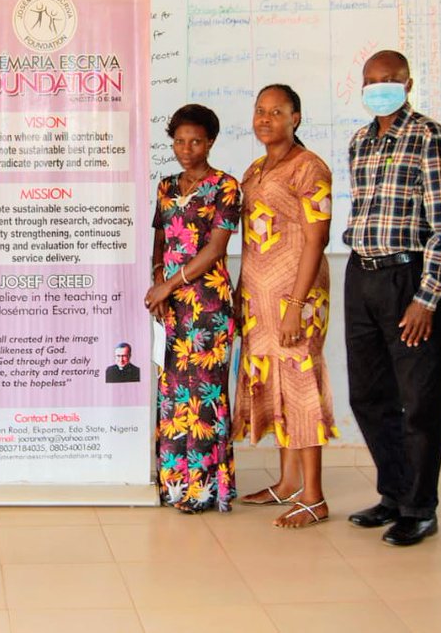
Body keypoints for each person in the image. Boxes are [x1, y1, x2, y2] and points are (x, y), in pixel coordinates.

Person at [343, 49, 441, 547]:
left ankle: (419, 507)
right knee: (369, 396)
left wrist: (425, 299)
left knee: (418, 400)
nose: (380, 88)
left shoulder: (429, 136)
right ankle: (392, 494)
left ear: (408, 83)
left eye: (389, 79)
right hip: (361, 275)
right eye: (371, 80)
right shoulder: (360, 141)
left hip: (406, 279)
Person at [234, 85, 337, 528]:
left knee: (300, 387)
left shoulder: (309, 166)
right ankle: (288, 482)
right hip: (258, 299)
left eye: (276, 112)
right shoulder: (255, 169)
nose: (265, 119)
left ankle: (314, 496)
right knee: (275, 385)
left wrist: (296, 304)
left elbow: (318, 238)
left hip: (297, 298)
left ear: (295, 118)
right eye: (260, 111)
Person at [144, 103, 240, 513]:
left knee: (203, 393)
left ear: (210, 142)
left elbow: (215, 249)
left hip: (207, 304)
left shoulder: (226, 186)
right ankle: (173, 485)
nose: (186, 149)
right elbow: (160, 241)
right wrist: (158, 283)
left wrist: (168, 285)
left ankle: (204, 489)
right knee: (172, 392)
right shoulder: (166, 186)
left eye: (195, 141)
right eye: (180, 141)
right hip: (170, 305)